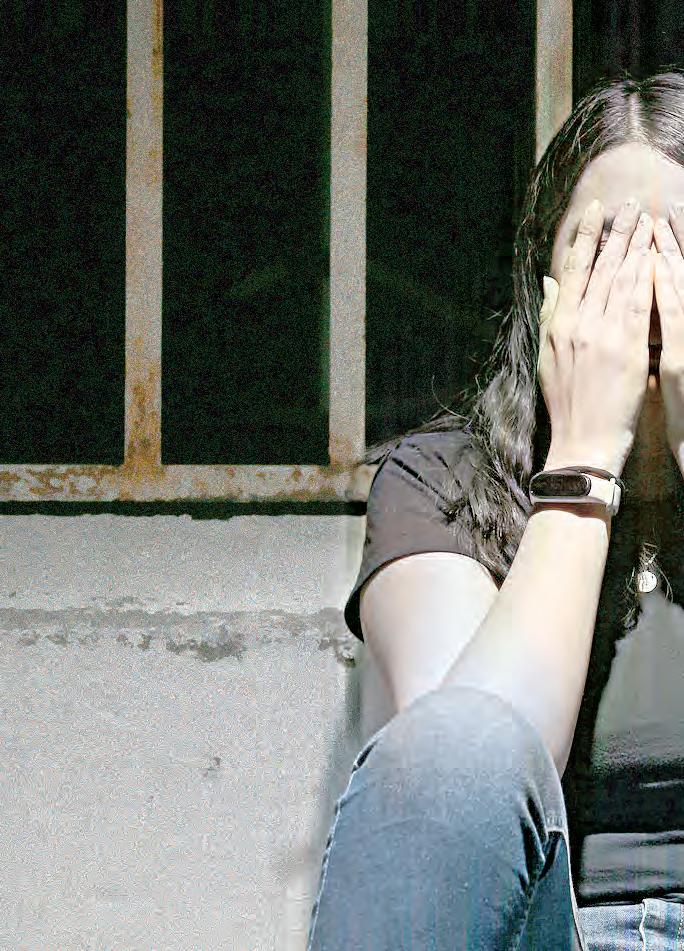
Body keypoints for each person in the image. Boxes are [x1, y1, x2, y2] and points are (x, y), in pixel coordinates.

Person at [306, 69, 684, 950]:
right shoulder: (441, 480)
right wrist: (583, 462)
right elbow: (455, 799)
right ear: (544, 281)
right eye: (608, 250)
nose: (645, 290)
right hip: (553, 932)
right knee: (458, 746)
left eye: (678, 250)